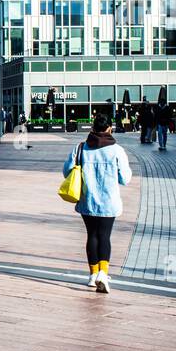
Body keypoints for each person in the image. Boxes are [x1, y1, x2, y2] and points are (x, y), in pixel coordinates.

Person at [63, 115, 133, 294]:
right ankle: (103, 273)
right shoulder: (117, 150)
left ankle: (93, 275)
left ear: (93, 128)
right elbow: (125, 179)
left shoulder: (81, 148)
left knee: (92, 235)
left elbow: (66, 172)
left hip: (87, 200)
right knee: (104, 236)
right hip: (108, 202)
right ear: (109, 128)